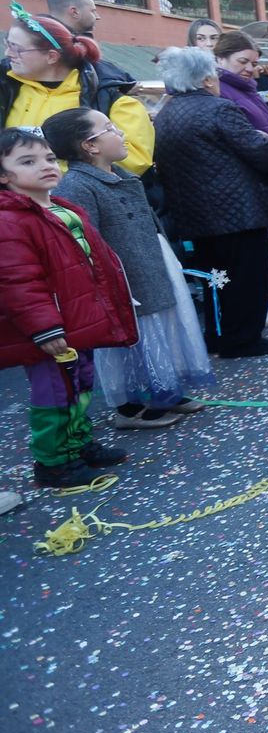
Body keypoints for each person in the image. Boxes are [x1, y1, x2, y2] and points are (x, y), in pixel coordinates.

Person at [44, 109, 212, 428]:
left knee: (160, 328)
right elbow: (85, 240)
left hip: (148, 263)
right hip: (124, 274)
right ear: (90, 146)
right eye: (109, 128)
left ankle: (164, 390)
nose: (120, 132)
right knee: (133, 337)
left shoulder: (118, 173)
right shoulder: (78, 185)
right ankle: (130, 406)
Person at [0, 127, 137, 488]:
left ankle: (77, 444)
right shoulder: (9, 219)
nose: (45, 166)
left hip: (75, 320)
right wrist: (45, 328)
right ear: (3, 175)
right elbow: (18, 282)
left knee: (81, 383)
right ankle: (54, 463)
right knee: (54, 392)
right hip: (48, 329)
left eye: (48, 157)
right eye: (27, 162)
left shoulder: (62, 208)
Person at [154, 47, 268, 359]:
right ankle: (242, 338)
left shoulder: (167, 114)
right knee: (246, 278)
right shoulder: (218, 110)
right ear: (205, 78)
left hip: (196, 215)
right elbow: (263, 153)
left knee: (216, 279)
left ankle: (218, 334)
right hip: (237, 212)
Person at [3, 4, 154, 175]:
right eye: (7, 44)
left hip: (77, 198)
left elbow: (134, 160)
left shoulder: (112, 99)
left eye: (17, 48)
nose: (8, 53)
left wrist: (55, 178)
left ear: (51, 56)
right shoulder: (6, 90)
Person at [213, 32, 268, 326]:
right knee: (247, 257)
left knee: (257, 250)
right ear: (220, 59)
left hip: (259, 174)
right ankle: (255, 311)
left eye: (253, 62)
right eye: (243, 61)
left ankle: (262, 304)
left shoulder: (240, 86)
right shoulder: (224, 91)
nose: (250, 68)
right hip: (246, 178)